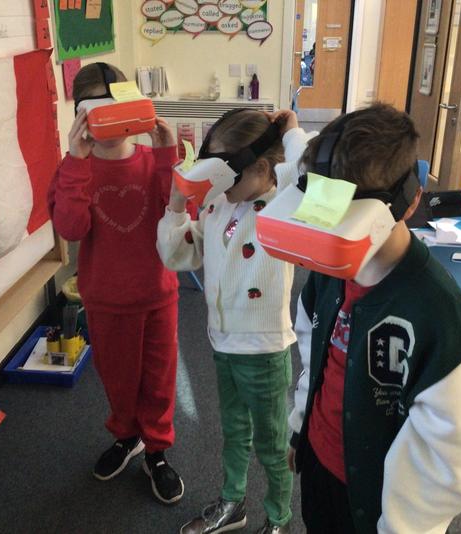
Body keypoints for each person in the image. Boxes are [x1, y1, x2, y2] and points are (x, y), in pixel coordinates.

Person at [288, 103, 461, 533]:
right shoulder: (327, 275)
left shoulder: (438, 314)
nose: (335, 230)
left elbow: (441, 462)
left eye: (351, 215)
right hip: (320, 466)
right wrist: (299, 429)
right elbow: (313, 356)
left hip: (380, 502)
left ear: (411, 200)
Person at [157, 109, 315, 534]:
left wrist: (292, 132)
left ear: (262, 168)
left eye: (227, 176)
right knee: (233, 433)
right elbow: (177, 255)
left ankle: (279, 519)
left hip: (264, 352)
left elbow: (316, 180)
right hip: (223, 345)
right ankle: (233, 501)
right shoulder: (218, 205)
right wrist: (176, 204)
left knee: (272, 444)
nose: (220, 187)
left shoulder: (285, 205)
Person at [47, 62, 184, 505]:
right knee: (118, 380)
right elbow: (71, 228)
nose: (109, 126)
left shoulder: (151, 160)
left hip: (157, 295)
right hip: (106, 299)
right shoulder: (74, 169)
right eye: (96, 114)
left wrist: (166, 155)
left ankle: (157, 452)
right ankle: (127, 436)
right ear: (81, 117)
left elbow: (178, 214)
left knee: (159, 381)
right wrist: (76, 161)